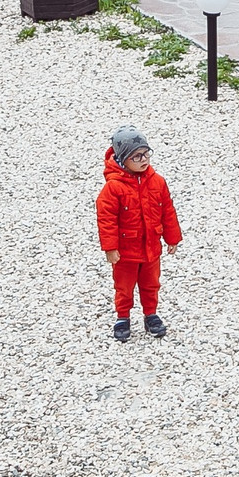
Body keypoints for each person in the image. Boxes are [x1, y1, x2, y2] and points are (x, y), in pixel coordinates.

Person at [97, 125, 182, 342]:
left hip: (151, 248)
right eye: (137, 156)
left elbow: (167, 210)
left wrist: (172, 238)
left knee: (151, 283)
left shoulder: (157, 181)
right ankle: (122, 316)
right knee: (124, 286)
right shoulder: (113, 188)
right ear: (123, 159)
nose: (144, 160)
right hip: (126, 251)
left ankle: (150, 314)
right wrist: (110, 247)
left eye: (146, 154)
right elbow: (106, 219)